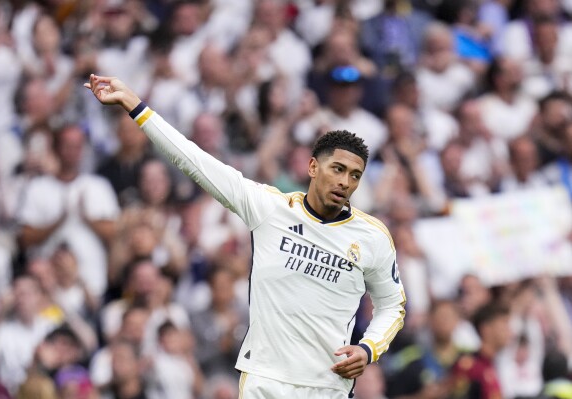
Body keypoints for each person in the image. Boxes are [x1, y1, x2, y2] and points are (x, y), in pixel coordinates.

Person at [85, 73, 406, 398]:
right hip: (264, 383)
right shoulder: (269, 208)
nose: (345, 182)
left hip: (328, 387)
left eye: (355, 175)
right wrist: (136, 106)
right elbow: (195, 161)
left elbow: (392, 306)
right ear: (312, 167)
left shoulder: (372, 236)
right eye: (337, 169)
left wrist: (368, 349)